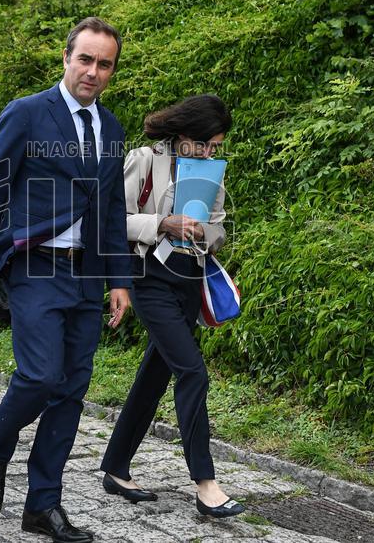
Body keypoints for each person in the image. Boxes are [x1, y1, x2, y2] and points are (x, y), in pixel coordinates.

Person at [0, 17, 132, 543]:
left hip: (87, 274)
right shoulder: (27, 113)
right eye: (85, 59)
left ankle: (42, 505)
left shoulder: (112, 129)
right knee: (39, 376)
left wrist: (119, 279)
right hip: (36, 265)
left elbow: (112, 209)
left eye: (104, 64)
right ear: (66, 58)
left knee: (71, 390)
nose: (93, 71)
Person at [99, 94, 246, 518]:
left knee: (155, 374)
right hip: (149, 277)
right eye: (204, 144)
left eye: (215, 147)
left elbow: (219, 228)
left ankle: (115, 467)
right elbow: (112, 218)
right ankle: (206, 484)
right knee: (192, 371)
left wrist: (205, 233)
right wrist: (163, 223)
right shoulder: (145, 159)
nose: (209, 153)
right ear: (183, 133)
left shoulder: (212, 170)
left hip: (189, 279)